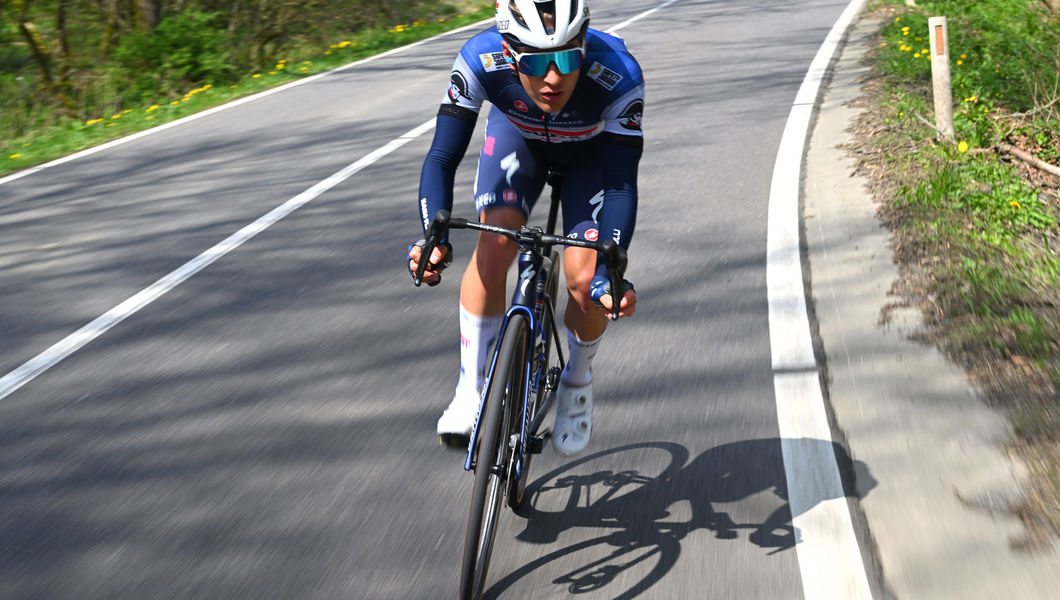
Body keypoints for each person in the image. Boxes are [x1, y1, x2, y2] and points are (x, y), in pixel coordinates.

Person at [408, 0, 642, 455]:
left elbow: (619, 187)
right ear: (509, 51)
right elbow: (441, 157)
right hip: (519, 138)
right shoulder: (480, 58)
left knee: (582, 280)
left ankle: (577, 379)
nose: (552, 77)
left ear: (583, 45)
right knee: (494, 245)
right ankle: (471, 390)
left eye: (566, 58)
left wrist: (609, 270)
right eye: (535, 61)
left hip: (592, 158)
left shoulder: (619, 74)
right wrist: (430, 234)